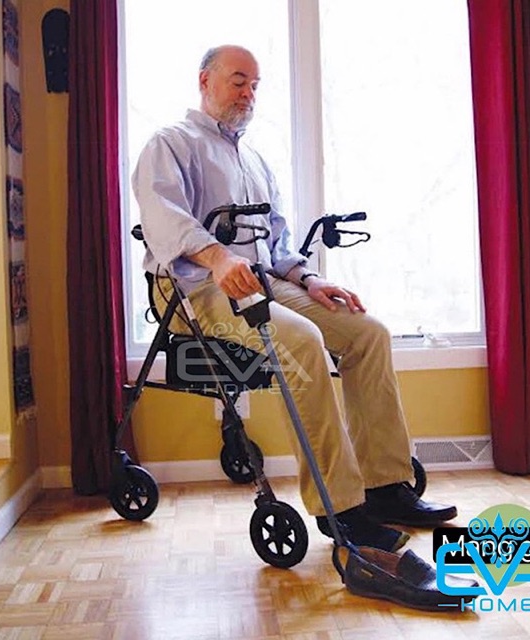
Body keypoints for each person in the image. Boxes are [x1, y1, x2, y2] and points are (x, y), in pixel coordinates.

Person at [133, 44, 457, 554]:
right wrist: (218, 258)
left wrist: (309, 279)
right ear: (205, 81)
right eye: (238, 80)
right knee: (302, 340)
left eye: (255, 85)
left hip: (261, 279)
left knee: (367, 332)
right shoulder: (170, 143)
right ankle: (340, 509)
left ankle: (386, 486)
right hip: (194, 287)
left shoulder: (253, 159)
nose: (249, 93)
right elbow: (164, 219)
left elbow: (277, 243)